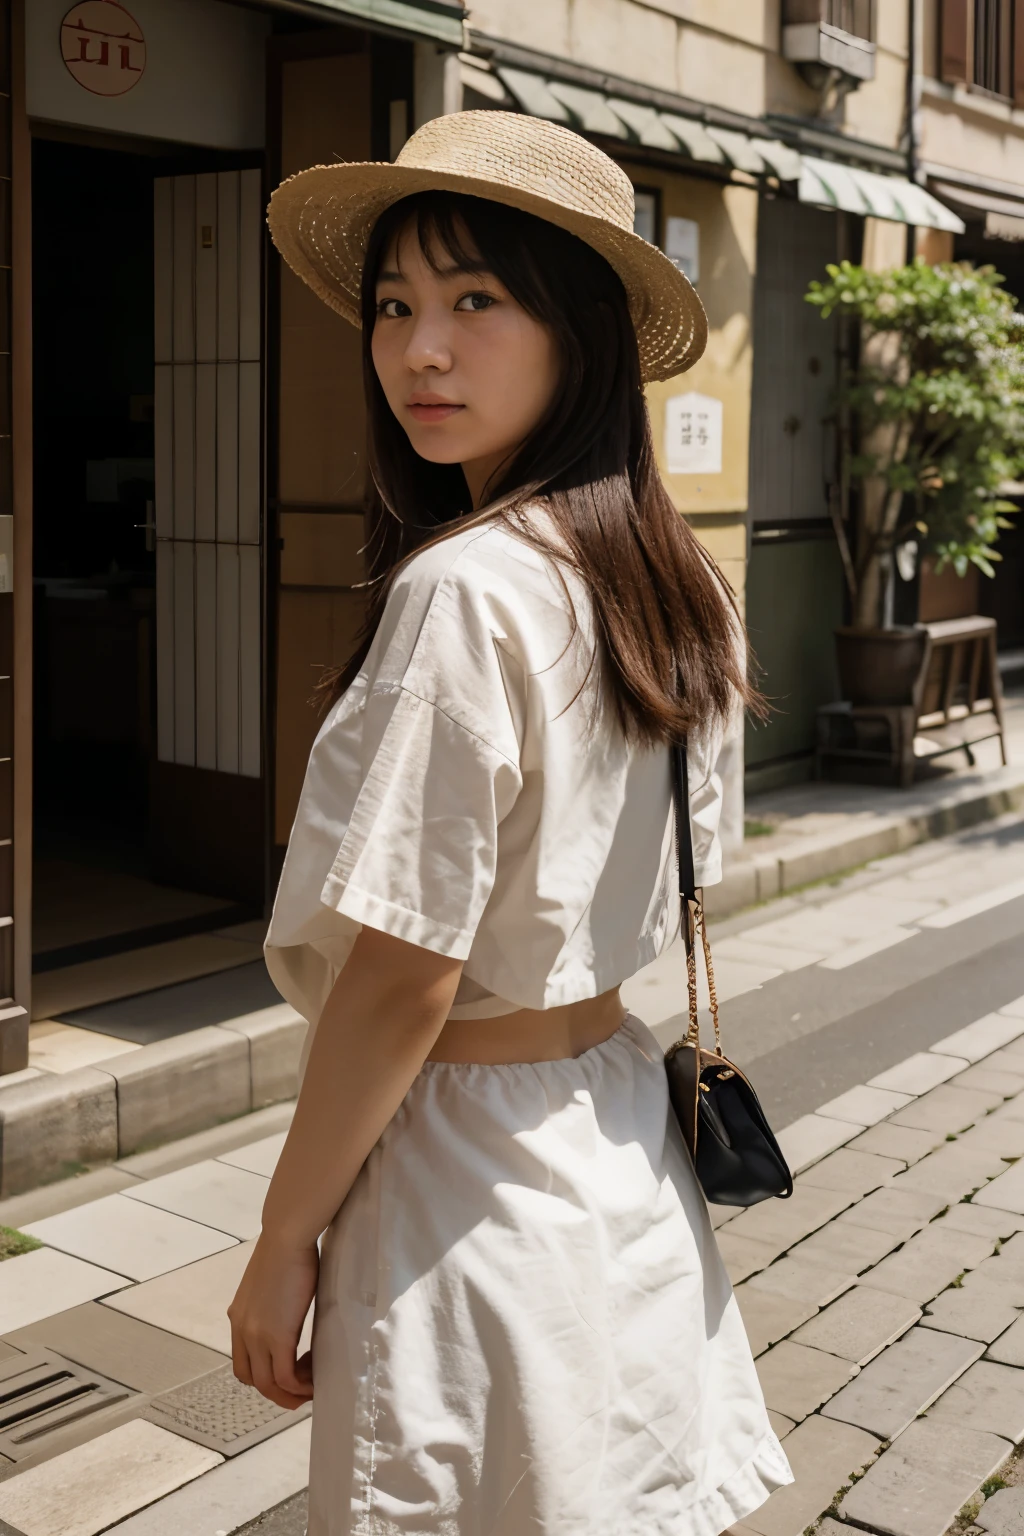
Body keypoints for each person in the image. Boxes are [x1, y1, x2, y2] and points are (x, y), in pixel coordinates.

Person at [228, 110, 792, 1536]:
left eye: (479, 301)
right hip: (613, 1125)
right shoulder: (677, 577)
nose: (422, 351)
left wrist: (281, 1240)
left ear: (578, 329)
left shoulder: (466, 590)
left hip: (461, 1170)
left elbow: (406, 973)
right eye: (399, 306)